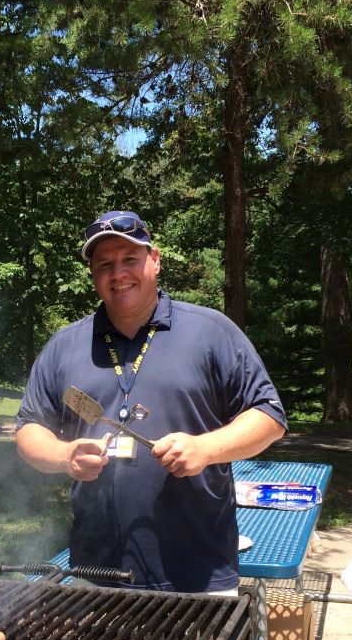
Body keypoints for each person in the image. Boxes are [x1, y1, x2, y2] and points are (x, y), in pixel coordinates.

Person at [16, 210, 287, 594]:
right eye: (105, 264)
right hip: (96, 572)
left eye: (130, 259)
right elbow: (29, 428)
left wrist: (205, 447)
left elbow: (269, 416)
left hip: (198, 572)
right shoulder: (65, 346)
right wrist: (65, 456)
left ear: (155, 260)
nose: (118, 273)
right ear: (93, 273)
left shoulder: (211, 332)